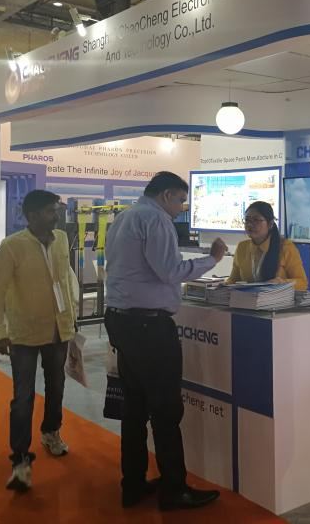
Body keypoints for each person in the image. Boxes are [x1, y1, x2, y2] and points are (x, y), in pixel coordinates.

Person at [104, 171, 227, 511]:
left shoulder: (125, 217)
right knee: (165, 409)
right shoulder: (156, 220)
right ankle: (174, 489)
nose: (182, 207)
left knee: (134, 408)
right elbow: (171, 271)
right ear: (166, 195)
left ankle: (133, 484)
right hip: (148, 327)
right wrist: (212, 259)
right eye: (181, 200)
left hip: (122, 321)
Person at [0, 190, 78, 491]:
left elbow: (65, 281)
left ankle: (51, 431)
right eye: (52, 211)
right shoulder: (12, 246)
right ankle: (20, 460)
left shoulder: (61, 239)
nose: (57, 215)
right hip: (24, 334)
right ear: (33, 215)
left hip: (59, 331)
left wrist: (71, 318)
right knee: (23, 397)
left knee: (56, 387)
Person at [226, 201, 308, 291]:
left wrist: (282, 283)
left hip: (277, 299)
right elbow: (233, 280)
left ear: (270, 224)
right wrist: (222, 285)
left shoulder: (286, 247)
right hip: (248, 299)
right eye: (247, 220)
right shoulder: (242, 247)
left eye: (256, 220)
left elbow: (302, 283)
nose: (250, 224)